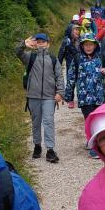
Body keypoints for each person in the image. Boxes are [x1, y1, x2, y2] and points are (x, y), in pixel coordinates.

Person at [15, 33, 65, 163]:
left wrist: (60, 92)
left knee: (48, 122)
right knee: (36, 123)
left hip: (49, 97)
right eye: (38, 41)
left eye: (43, 41)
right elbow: (17, 52)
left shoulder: (53, 59)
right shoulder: (29, 57)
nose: (41, 43)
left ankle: (50, 150)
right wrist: (23, 44)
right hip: (33, 96)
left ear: (48, 44)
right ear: (35, 44)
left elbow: (59, 76)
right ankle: (37, 146)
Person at [65, 32, 105, 156]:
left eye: (90, 44)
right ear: (82, 46)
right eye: (85, 44)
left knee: (99, 121)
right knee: (90, 120)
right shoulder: (77, 59)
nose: (88, 47)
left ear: (95, 45)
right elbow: (71, 78)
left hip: (99, 97)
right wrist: (69, 96)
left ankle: (97, 143)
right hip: (84, 98)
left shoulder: (101, 57)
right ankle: (93, 147)